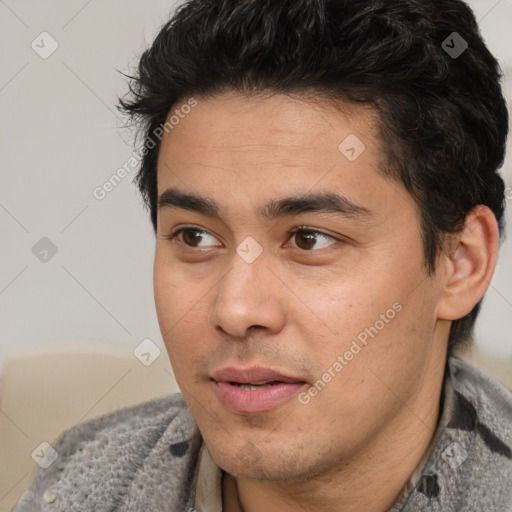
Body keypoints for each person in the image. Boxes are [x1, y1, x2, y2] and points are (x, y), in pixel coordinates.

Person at [13, 0, 511, 510]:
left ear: (461, 263)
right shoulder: (81, 487)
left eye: (309, 239)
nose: (235, 310)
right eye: (195, 237)